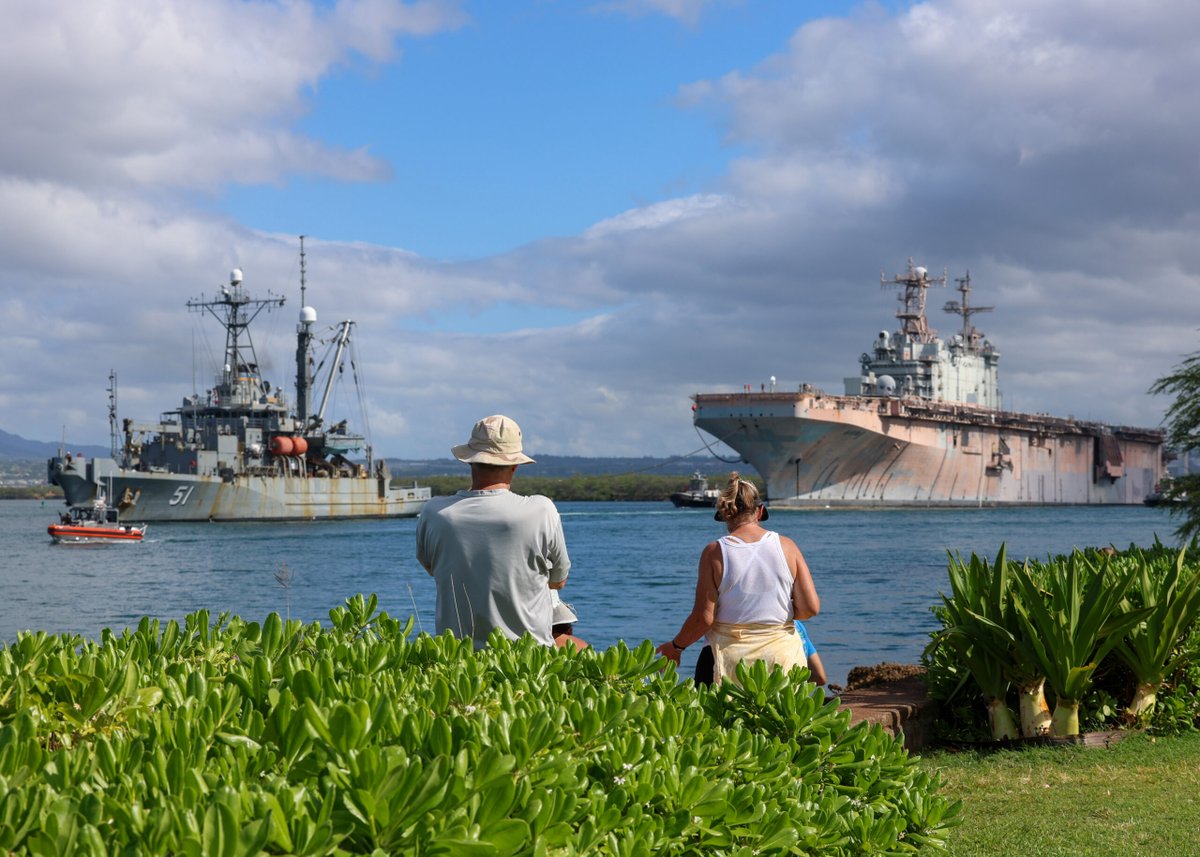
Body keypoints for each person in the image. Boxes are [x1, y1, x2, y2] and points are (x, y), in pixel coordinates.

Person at [416, 415, 571, 649]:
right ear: (515, 465)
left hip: (457, 658)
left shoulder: (434, 512)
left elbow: (431, 566)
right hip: (529, 659)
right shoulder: (541, 509)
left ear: (469, 461)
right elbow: (558, 581)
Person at [657, 472, 819, 686]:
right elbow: (810, 608)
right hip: (781, 659)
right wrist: (774, 613)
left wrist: (676, 647)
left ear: (725, 514)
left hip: (728, 659)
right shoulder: (788, 546)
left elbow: (703, 619)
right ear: (760, 511)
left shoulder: (714, 552)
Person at [694, 619, 826, 686]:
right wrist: (787, 685)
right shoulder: (797, 627)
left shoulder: (731, 628)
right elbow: (819, 677)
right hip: (790, 705)